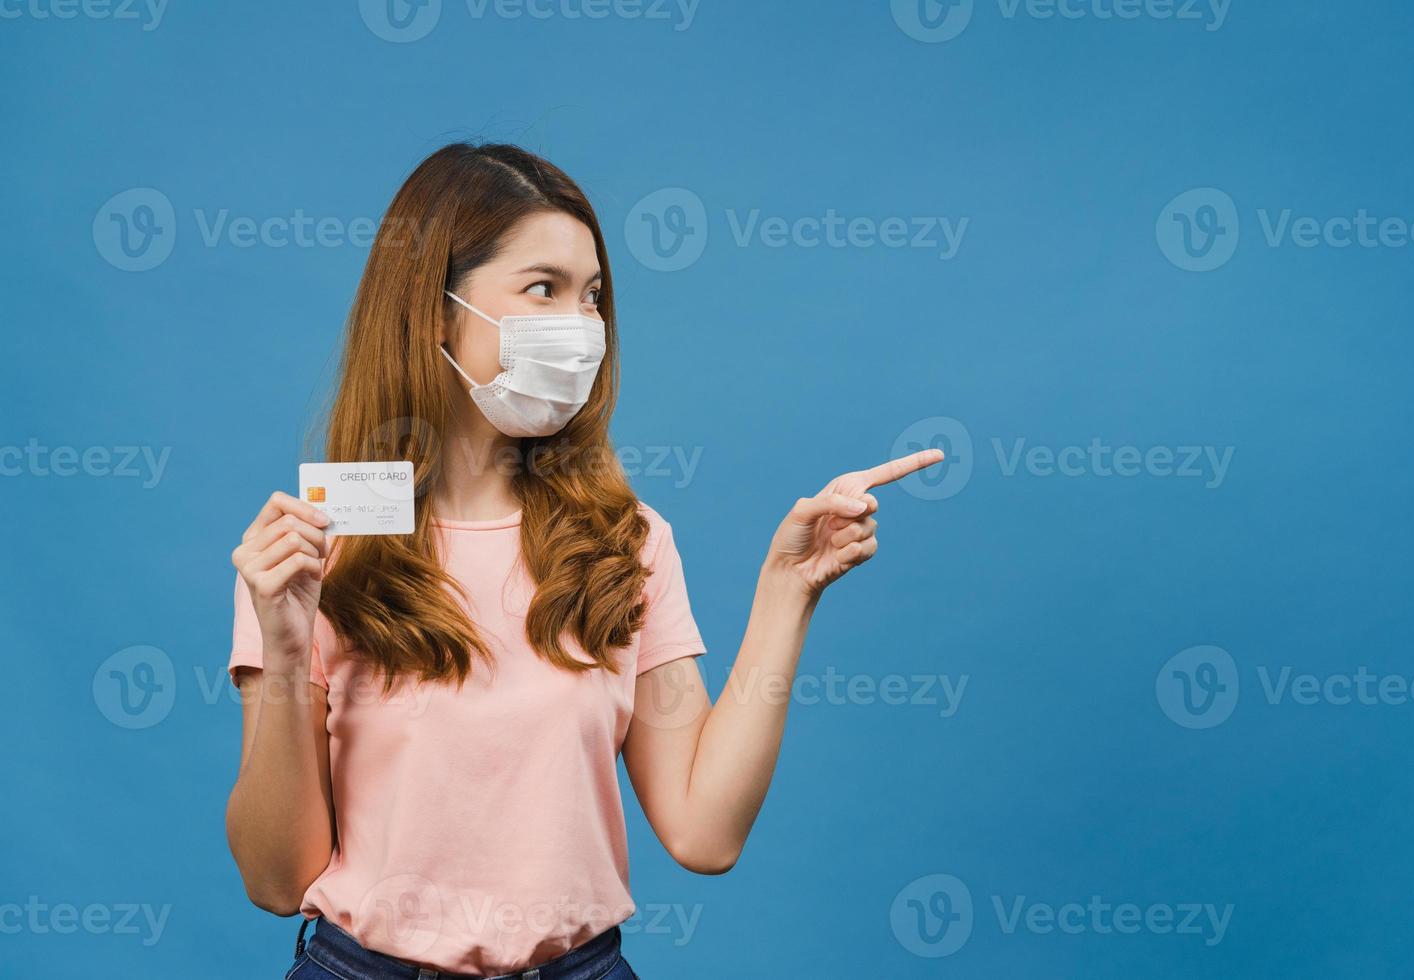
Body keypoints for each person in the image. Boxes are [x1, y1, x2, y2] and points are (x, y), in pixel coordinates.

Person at [224, 142, 943, 980]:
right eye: (544, 289)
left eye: (593, 297)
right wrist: (282, 645)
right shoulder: (314, 550)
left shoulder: (627, 542)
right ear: (434, 310)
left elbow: (705, 833)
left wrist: (788, 592)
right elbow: (277, 880)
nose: (581, 326)